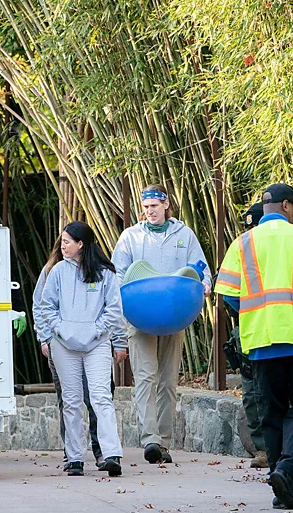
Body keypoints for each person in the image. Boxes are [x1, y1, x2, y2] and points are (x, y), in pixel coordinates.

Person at [215, 183, 293, 510]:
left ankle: (281, 485)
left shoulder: (242, 243)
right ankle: (287, 469)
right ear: (286, 205)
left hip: (261, 342)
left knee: (272, 413)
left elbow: (227, 293)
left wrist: (257, 313)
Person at [111, 184, 211, 464]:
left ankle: (163, 442)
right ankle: (150, 439)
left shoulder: (184, 235)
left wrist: (203, 285)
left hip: (174, 314)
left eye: (154, 206)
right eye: (145, 208)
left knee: (167, 380)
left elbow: (201, 268)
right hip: (140, 316)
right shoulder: (130, 237)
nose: (149, 212)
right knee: (144, 377)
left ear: (166, 205)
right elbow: (117, 275)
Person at [35, 221, 126, 477]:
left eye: (67, 241)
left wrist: (98, 329)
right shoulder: (57, 272)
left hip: (97, 344)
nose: (62, 246)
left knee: (101, 398)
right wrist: (59, 330)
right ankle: (74, 458)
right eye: (62, 241)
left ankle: (111, 454)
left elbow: (114, 309)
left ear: (81, 244)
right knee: (72, 401)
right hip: (64, 346)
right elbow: (46, 306)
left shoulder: (106, 273)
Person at [222, 202, 269, 469]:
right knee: (252, 391)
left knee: (275, 389)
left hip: (280, 327)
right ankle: (263, 448)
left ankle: (283, 447)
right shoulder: (241, 248)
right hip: (248, 329)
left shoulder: (285, 248)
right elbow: (228, 291)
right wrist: (250, 312)